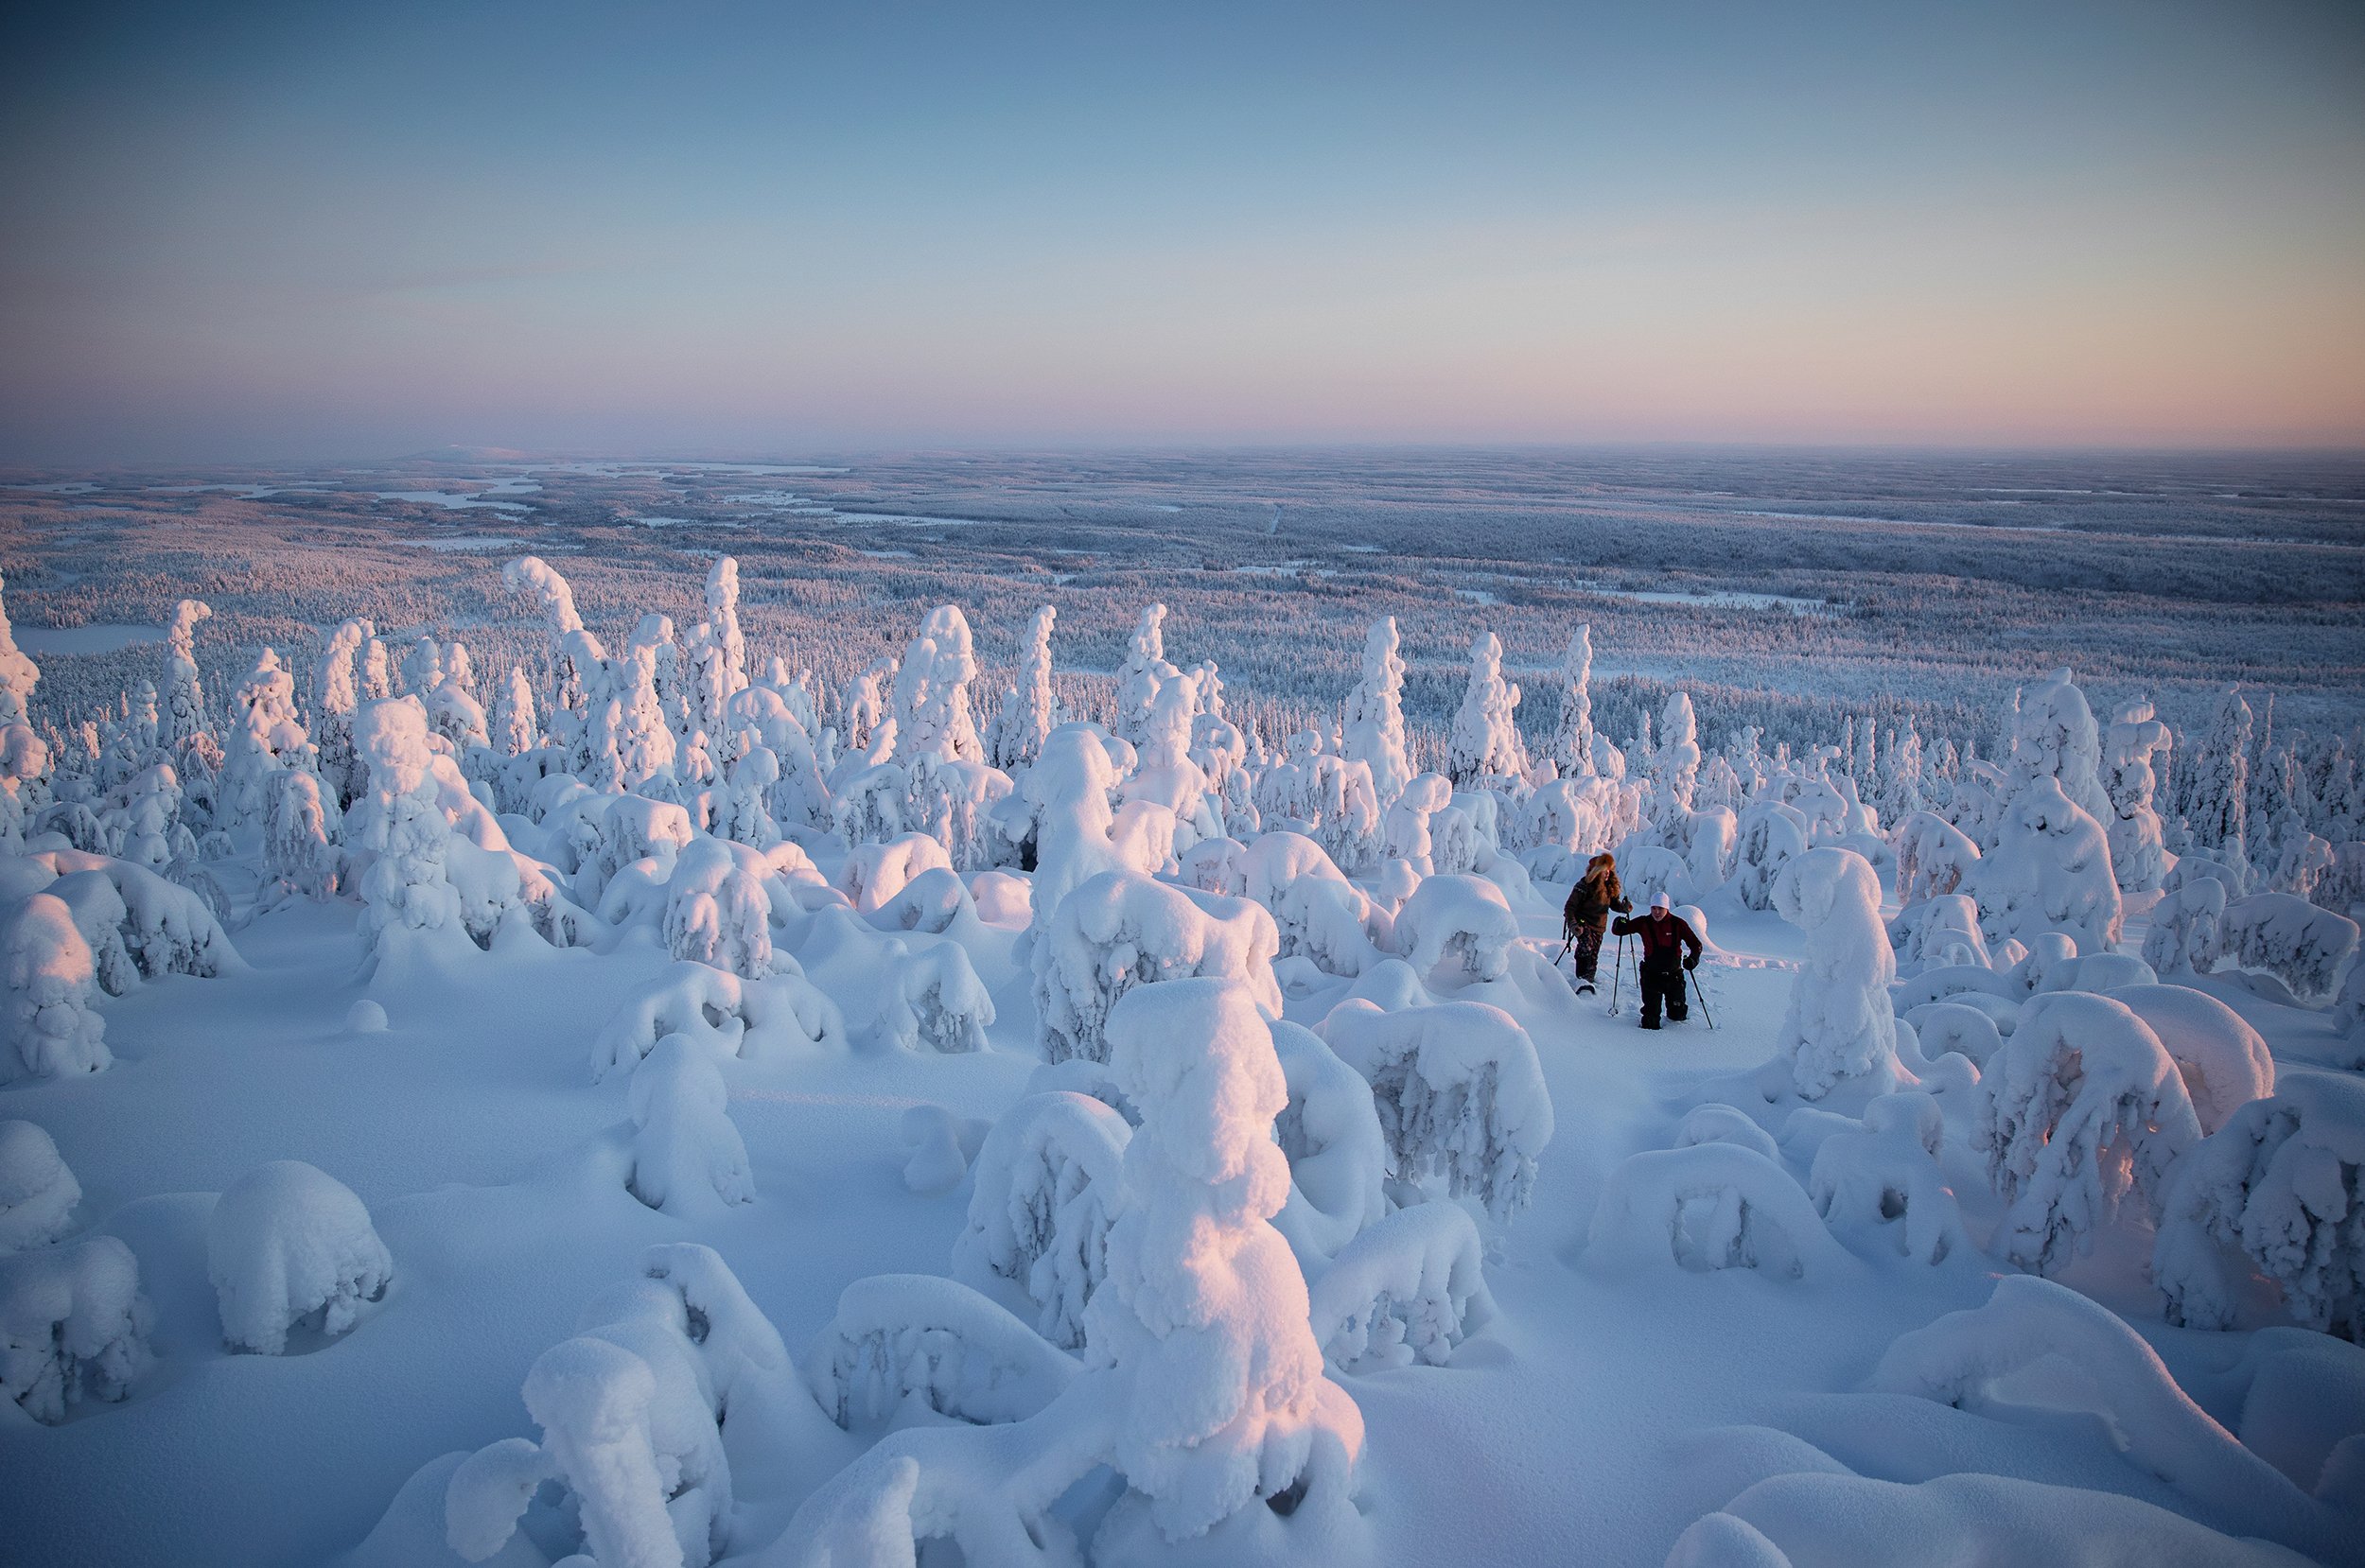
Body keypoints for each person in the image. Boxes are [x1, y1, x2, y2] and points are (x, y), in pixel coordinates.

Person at [1612, 892, 1703, 1030]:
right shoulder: (1643, 922)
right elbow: (1619, 930)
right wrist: (1619, 923)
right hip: (1651, 976)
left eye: (1660, 908)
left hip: (1674, 977)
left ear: (1667, 908)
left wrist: (1693, 959)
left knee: (1677, 1017)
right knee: (1650, 1021)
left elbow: (1696, 945)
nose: (1657, 912)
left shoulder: (1678, 924)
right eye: (1654, 908)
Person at [1560, 851, 1630, 996]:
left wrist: (1624, 908)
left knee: (1593, 954)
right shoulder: (1584, 885)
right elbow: (1570, 907)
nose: (1608, 874)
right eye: (1606, 870)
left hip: (1599, 926)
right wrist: (1574, 925)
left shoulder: (1609, 887)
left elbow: (1614, 905)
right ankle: (1582, 979)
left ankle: (1588, 980)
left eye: (1609, 870)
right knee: (1586, 947)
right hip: (1583, 922)